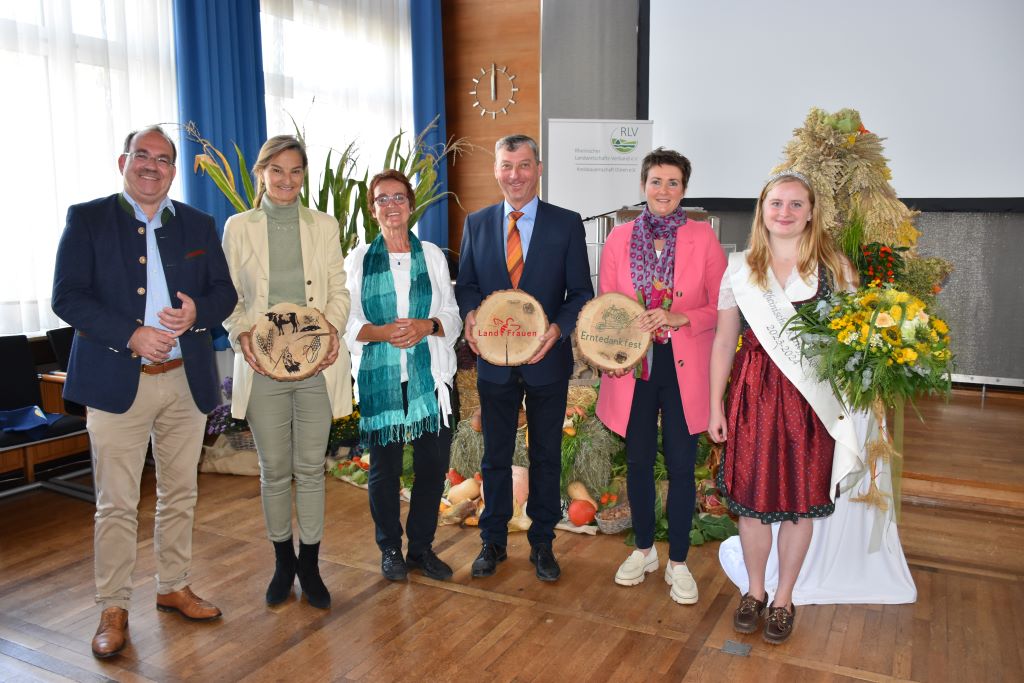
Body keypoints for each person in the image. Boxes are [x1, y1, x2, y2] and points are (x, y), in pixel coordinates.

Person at [51, 125, 237, 658]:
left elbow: (224, 291)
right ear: (123, 161)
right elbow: (68, 296)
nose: (151, 166)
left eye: (162, 159)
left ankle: (173, 585)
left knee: (181, 493)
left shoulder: (199, 223)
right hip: (115, 382)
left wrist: (200, 311)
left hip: (185, 380)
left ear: (174, 170)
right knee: (116, 503)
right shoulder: (87, 219)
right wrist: (131, 334)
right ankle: (113, 606)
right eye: (142, 156)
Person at [708, 170, 860, 644]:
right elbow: (724, 340)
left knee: (797, 505)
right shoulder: (739, 268)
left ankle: (783, 598)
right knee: (752, 505)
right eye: (776, 204)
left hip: (810, 400)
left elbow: (856, 341)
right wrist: (715, 404)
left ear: (811, 211)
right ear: (762, 211)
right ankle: (753, 592)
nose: (785, 212)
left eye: (796, 204)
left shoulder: (835, 267)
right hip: (753, 395)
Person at [455, 134, 594, 582]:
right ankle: (492, 541)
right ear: (496, 171)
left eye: (523, 165)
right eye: (506, 166)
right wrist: (472, 315)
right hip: (494, 363)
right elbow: (468, 286)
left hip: (546, 362)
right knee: (494, 456)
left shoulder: (566, 223)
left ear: (538, 169)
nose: (514, 174)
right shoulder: (476, 223)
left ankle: (542, 544)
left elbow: (580, 294)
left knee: (546, 457)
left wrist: (557, 329)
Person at [222, 135, 351, 610]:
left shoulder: (324, 225)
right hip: (262, 368)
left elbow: (339, 289)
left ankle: (311, 566)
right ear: (261, 173)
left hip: (318, 367)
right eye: (276, 170)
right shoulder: (238, 227)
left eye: (295, 171)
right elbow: (229, 296)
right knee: (274, 471)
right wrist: (242, 337)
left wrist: (331, 331)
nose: (286, 180)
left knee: (311, 470)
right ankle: (282, 563)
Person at [595, 148, 726, 604]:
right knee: (637, 461)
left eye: (673, 183)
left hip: (684, 367)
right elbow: (605, 307)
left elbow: (719, 308)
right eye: (656, 181)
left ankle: (679, 562)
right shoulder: (618, 238)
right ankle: (645, 549)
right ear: (643, 185)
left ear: (684, 189)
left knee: (680, 463)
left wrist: (679, 317)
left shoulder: (703, 238)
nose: (663, 190)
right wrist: (619, 334)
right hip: (633, 367)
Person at [344, 170, 462, 582]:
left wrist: (425, 326)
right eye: (382, 199)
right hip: (382, 379)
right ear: (373, 209)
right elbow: (346, 322)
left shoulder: (431, 254)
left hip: (429, 378)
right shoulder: (357, 260)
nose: (391, 205)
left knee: (432, 468)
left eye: (398, 197)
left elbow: (453, 314)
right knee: (384, 470)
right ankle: (390, 548)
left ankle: (422, 548)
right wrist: (381, 332)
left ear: (411, 205)